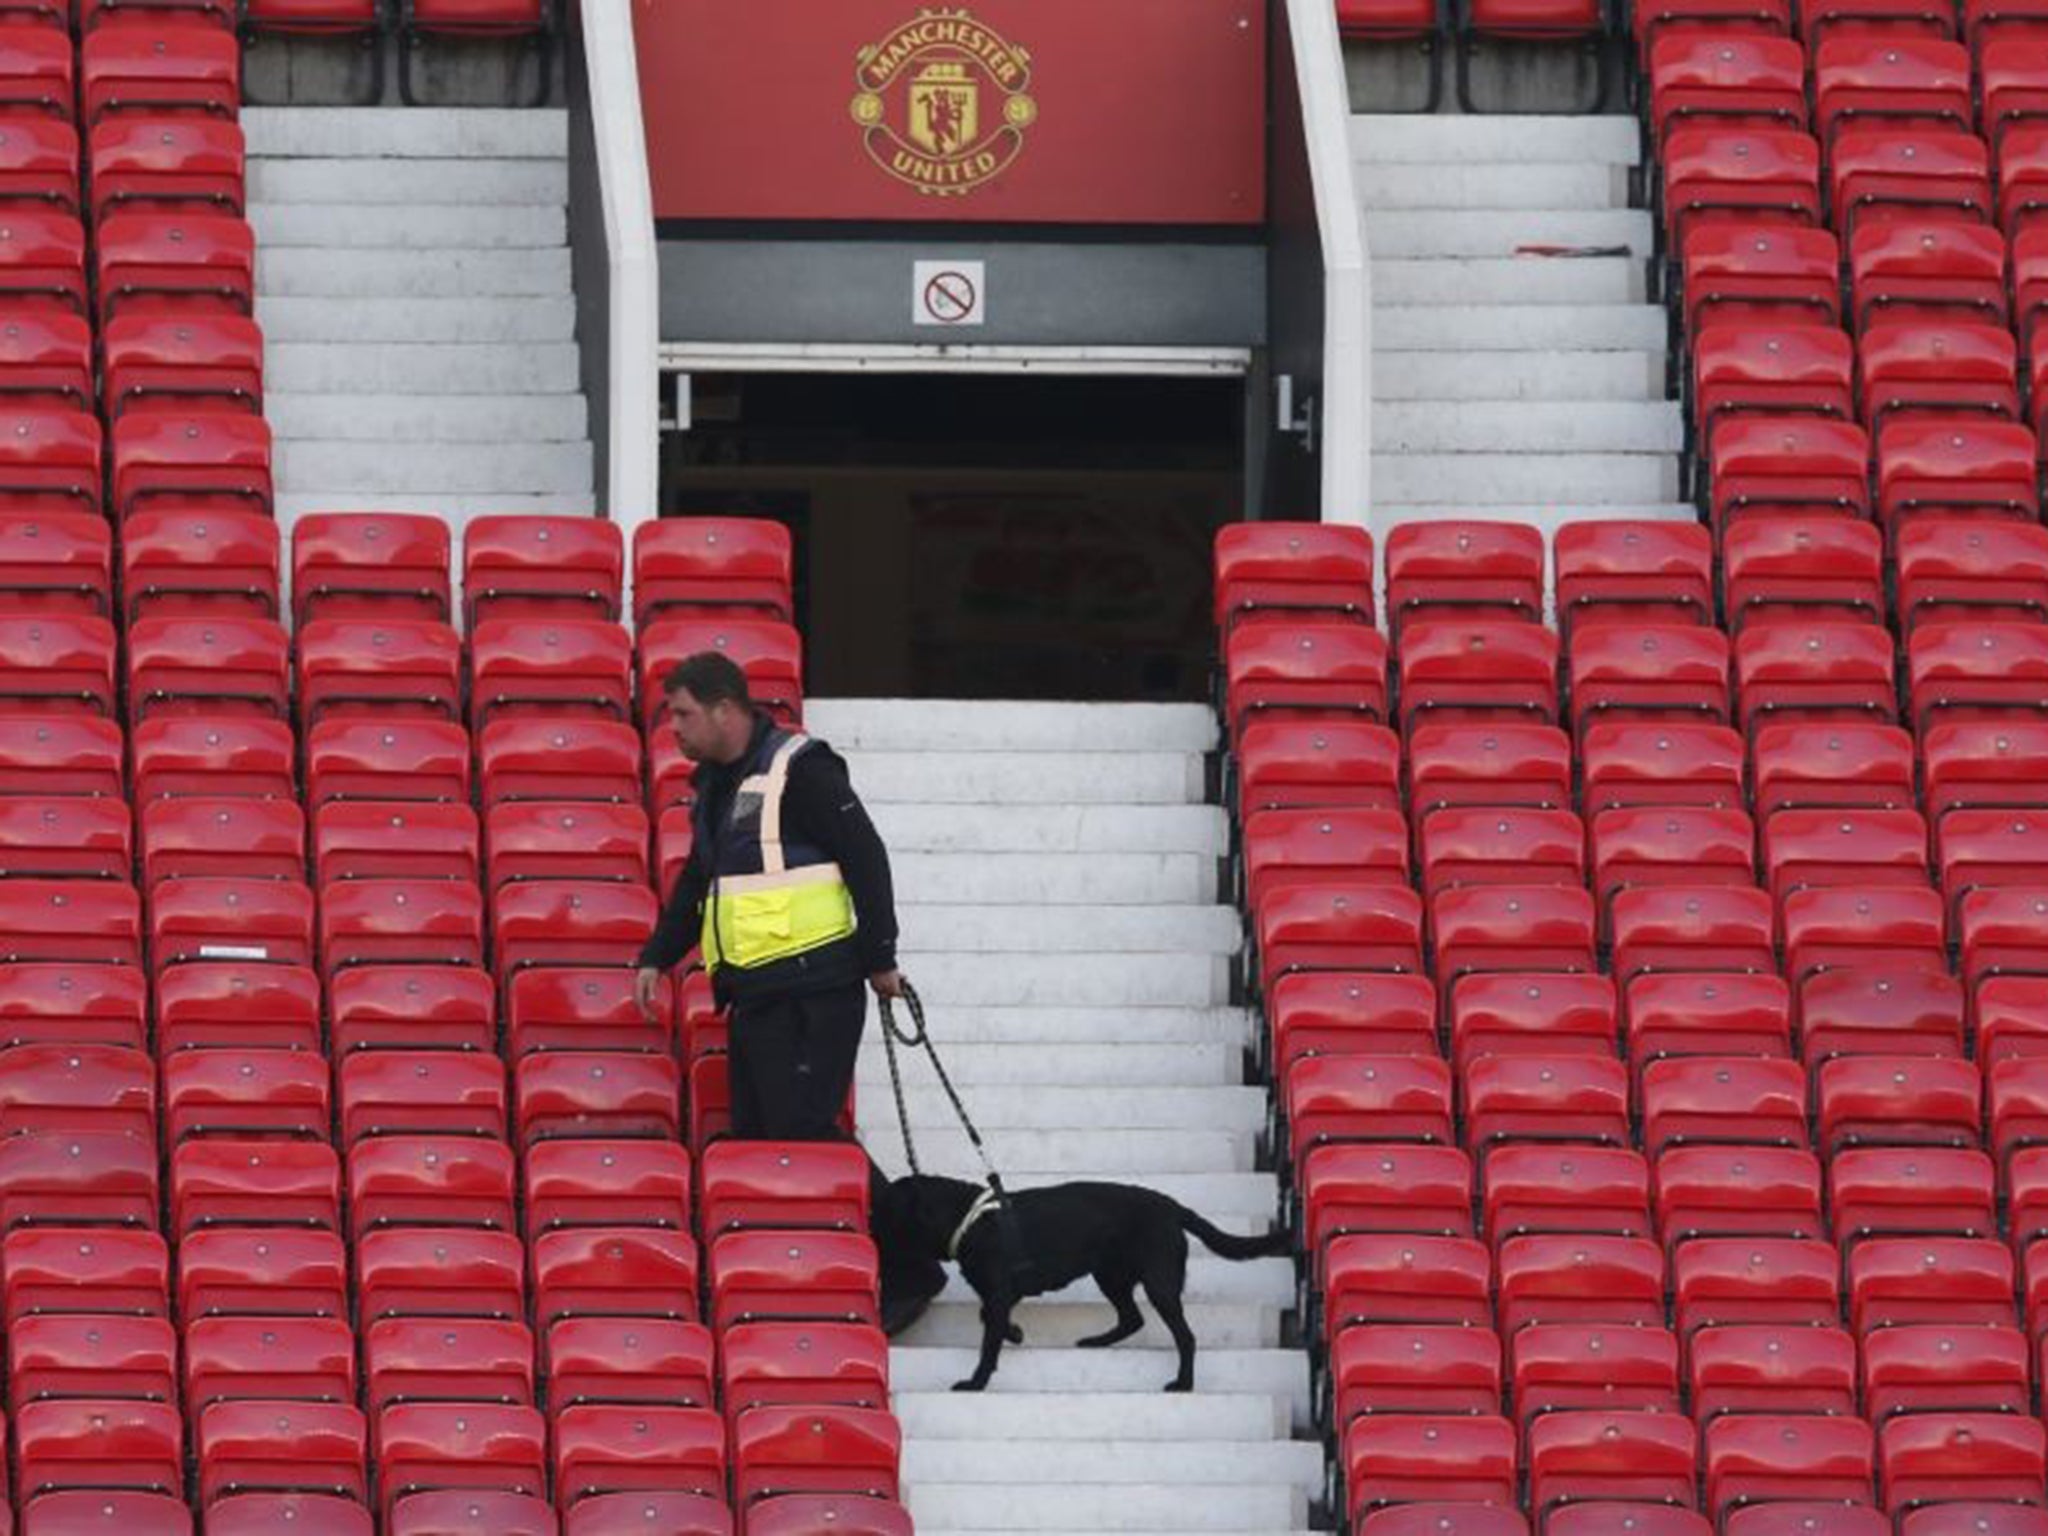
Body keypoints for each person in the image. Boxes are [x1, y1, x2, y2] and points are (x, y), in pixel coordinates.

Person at [633, 650, 946, 1334]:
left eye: (683, 714)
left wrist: (881, 955)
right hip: (755, 996)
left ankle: (913, 1265)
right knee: (759, 1140)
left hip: (818, 989)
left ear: (724, 708)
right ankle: (806, 1277)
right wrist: (660, 953)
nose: (674, 730)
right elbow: (700, 882)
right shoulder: (715, 783)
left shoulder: (803, 768)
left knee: (804, 1133)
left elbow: (865, 853)